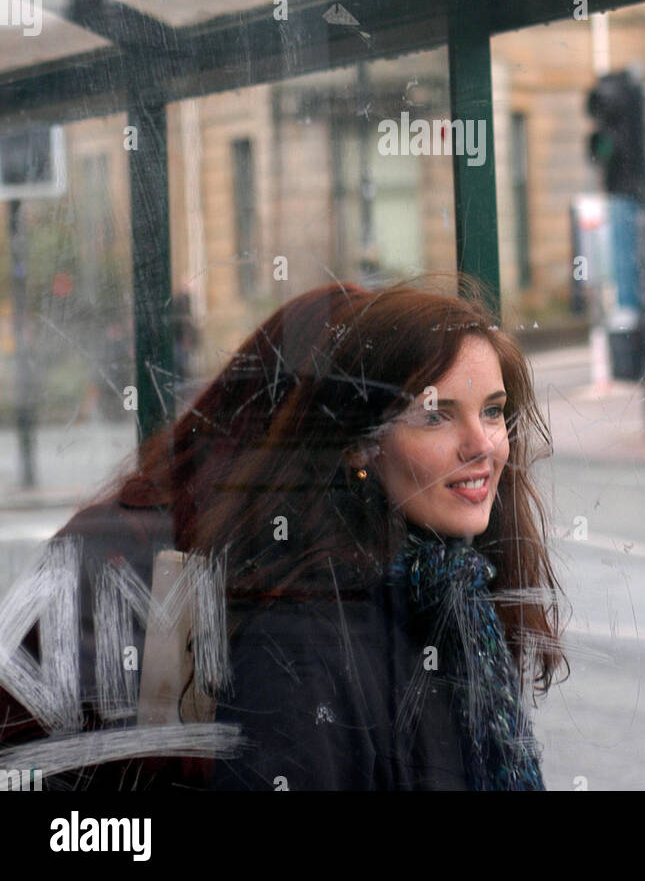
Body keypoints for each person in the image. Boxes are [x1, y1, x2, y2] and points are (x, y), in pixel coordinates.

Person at [0, 278, 565, 791]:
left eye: (494, 412)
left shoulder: (442, 592)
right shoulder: (291, 615)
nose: (484, 444)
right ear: (349, 435)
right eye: (434, 413)